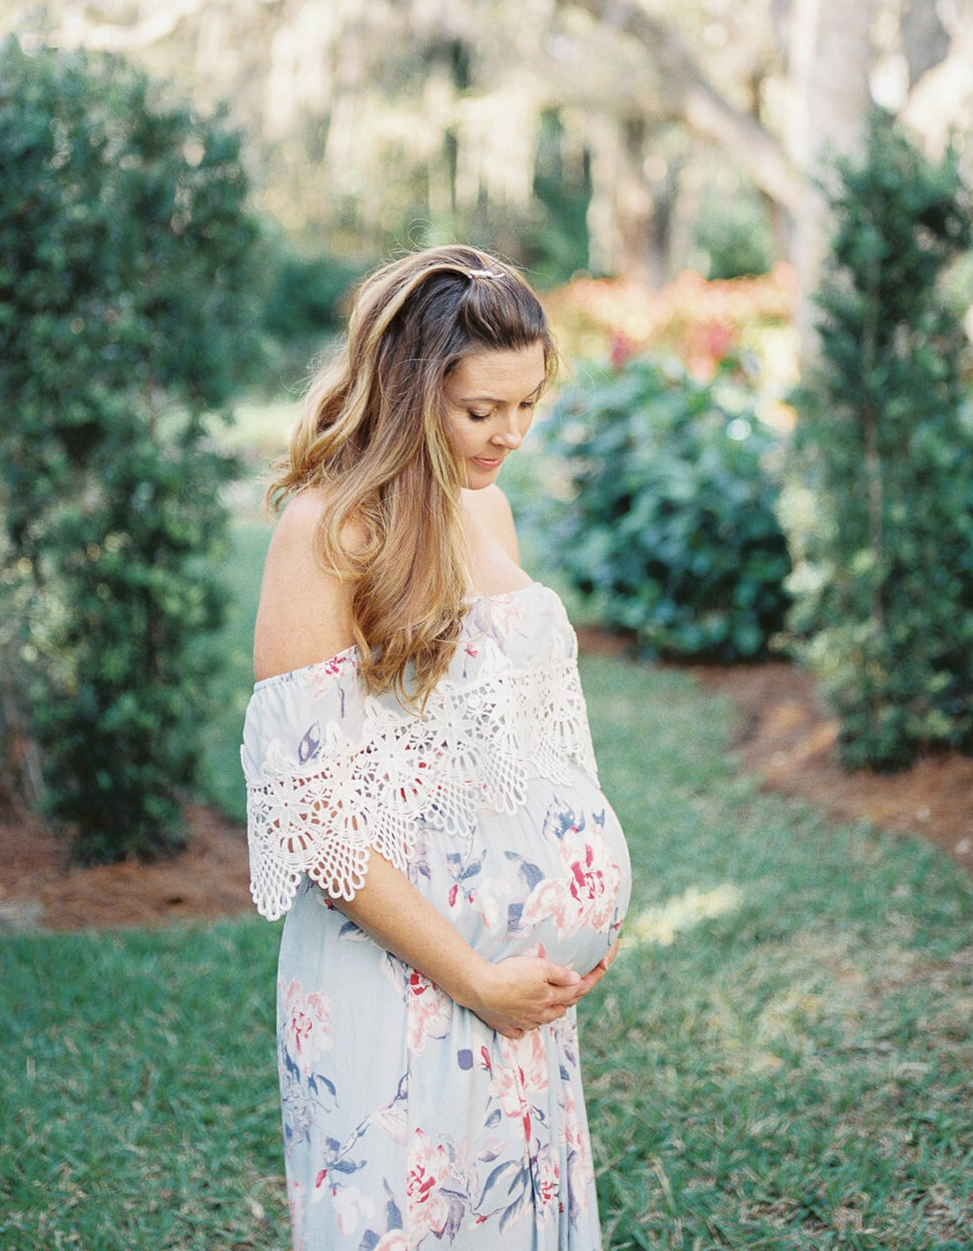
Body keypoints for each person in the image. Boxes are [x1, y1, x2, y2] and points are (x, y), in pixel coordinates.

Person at [242, 246, 631, 1249]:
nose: (513, 433)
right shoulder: (327, 533)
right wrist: (472, 976)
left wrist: (581, 897)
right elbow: (312, 817)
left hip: (521, 999)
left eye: (527, 403)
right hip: (403, 983)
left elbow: (520, 743)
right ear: (414, 392)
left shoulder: (486, 503)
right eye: (482, 410)